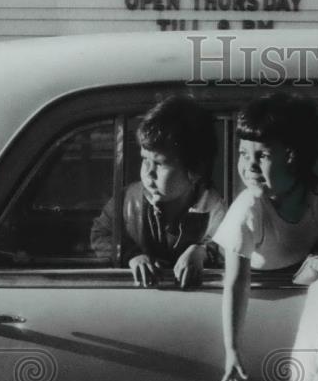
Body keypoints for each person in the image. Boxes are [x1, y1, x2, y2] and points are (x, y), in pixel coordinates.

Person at [213, 93, 318, 381]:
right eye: (244, 154)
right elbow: (236, 282)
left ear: (294, 156)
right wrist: (232, 349)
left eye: (263, 156)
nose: (249, 166)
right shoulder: (249, 208)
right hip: (253, 280)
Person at [90, 95, 226, 288]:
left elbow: (228, 247)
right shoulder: (128, 199)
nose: (148, 172)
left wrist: (201, 251)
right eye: (145, 159)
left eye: (160, 164)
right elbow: (100, 234)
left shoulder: (213, 207)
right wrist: (131, 255)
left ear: (194, 171)